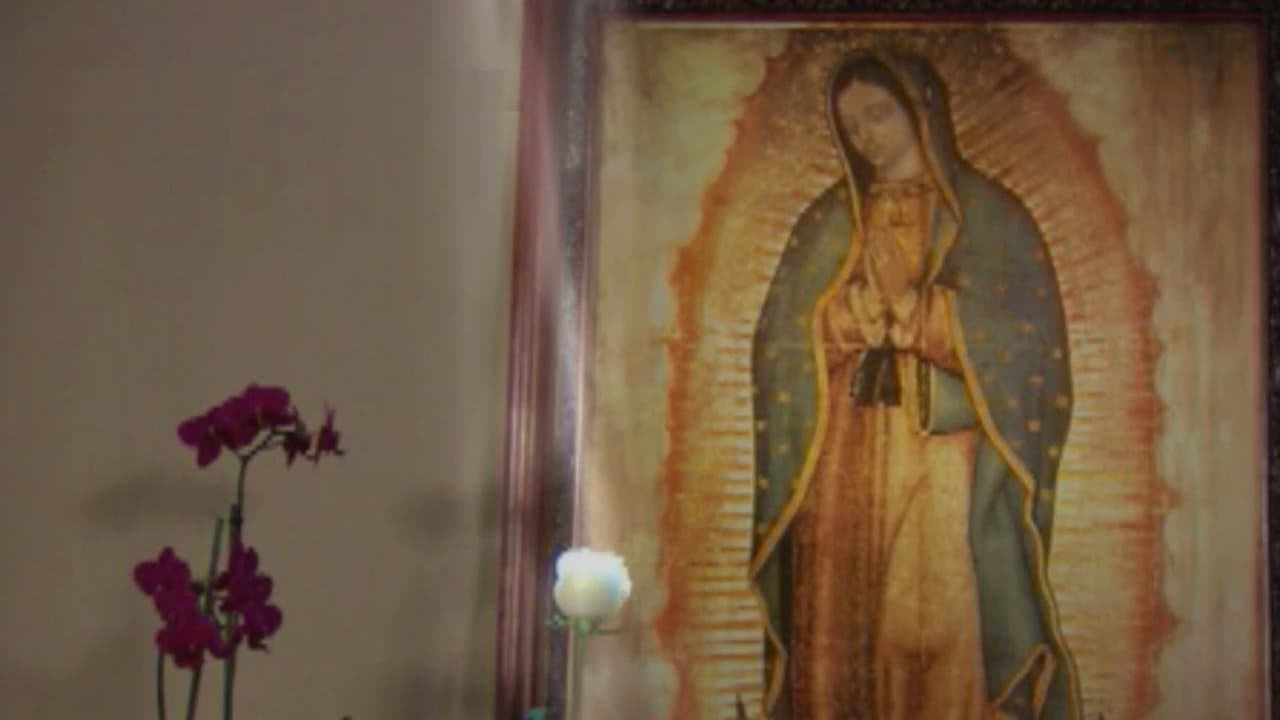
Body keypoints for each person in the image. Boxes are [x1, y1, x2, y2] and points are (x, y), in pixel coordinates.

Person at [749, 48, 1080, 720]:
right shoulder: (828, 221)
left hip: (941, 461)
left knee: (933, 622)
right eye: (852, 125)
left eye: (879, 114)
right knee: (846, 616)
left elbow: (1029, 348)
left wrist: (920, 312)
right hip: (841, 465)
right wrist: (849, 316)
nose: (866, 136)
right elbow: (778, 345)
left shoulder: (989, 216)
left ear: (921, 109)